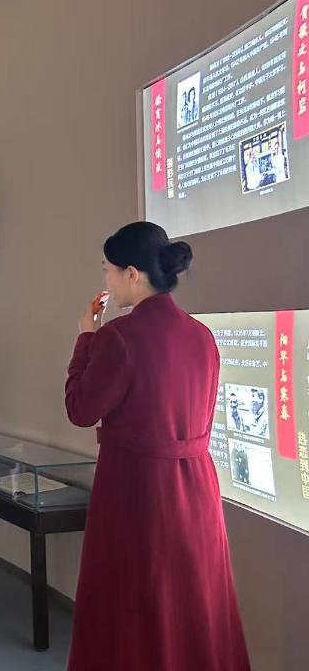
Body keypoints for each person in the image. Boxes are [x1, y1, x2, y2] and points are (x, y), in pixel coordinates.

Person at [64, 221, 249, 671]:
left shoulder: (118, 337)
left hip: (138, 491)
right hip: (198, 491)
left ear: (132, 273)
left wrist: (87, 336)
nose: (106, 281)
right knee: (193, 602)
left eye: (107, 270)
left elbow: (80, 408)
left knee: (134, 605)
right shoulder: (202, 336)